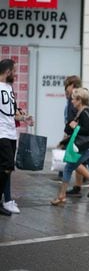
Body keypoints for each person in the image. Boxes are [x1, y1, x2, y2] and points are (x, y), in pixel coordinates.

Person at [51, 88, 89, 212]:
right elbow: (69, 129)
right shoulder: (85, 112)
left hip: (87, 148)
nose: (72, 101)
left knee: (68, 168)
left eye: (73, 99)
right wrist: (72, 126)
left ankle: (62, 196)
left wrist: (76, 127)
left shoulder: (84, 113)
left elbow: (87, 130)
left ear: (80, 100)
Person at [0, 59, 33, 216]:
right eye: (14, 71)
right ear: (7, 72)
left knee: (7, 168)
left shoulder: (9, 87)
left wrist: (24, 118)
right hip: (1, 134)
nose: (15, 74)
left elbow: (12, 113)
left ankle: (4, 201)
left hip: (11, 133)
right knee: (7, 166)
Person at [59, 75, 89, 198]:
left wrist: (68, 132)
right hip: (79, 135)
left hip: (76, 135)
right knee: (77, 161)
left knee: (73, 161)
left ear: (73, 85)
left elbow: (73, 120)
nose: (66, 89)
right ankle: (77, 187)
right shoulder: (75, 98)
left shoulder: (74, 99)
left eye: (67, 85)